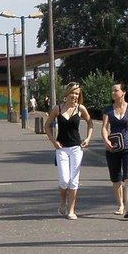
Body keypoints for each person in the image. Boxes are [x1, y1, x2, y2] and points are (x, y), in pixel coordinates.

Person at [44, 81, 94, 219]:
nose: (75, 96)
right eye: (72, 92)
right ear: (67, 93)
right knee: (64, 180)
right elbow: (46, 126)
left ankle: (71, 210)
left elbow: (90, 123)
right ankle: (62, 202)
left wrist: (88, 138)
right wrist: (54, 141)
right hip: (61, 148)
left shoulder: (80, 109)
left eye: (77, 93)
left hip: (76, 148)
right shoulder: (58, 109)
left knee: (74, 181)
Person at [101, 82, 128, 217]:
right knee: (116, 179)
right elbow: (104, 127)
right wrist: (106, 140)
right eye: (112, 91)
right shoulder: (108, 110)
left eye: (116, 91)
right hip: (113, 148)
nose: (113, 93)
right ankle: (120, 205)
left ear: (123, 92)